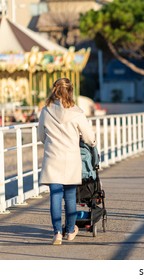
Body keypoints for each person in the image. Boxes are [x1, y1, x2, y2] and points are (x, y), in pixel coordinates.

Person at [37, 78, 96, 245]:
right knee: (70, 197)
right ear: (70, 91)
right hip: (71, 160)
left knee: (55, 196)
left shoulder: (45, 111)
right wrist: (92, 143)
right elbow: (88, 138)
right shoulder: (77, 112)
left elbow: (41, 136)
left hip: (52, 159)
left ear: (53, 90)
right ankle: (70, 231)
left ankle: (57, 233)